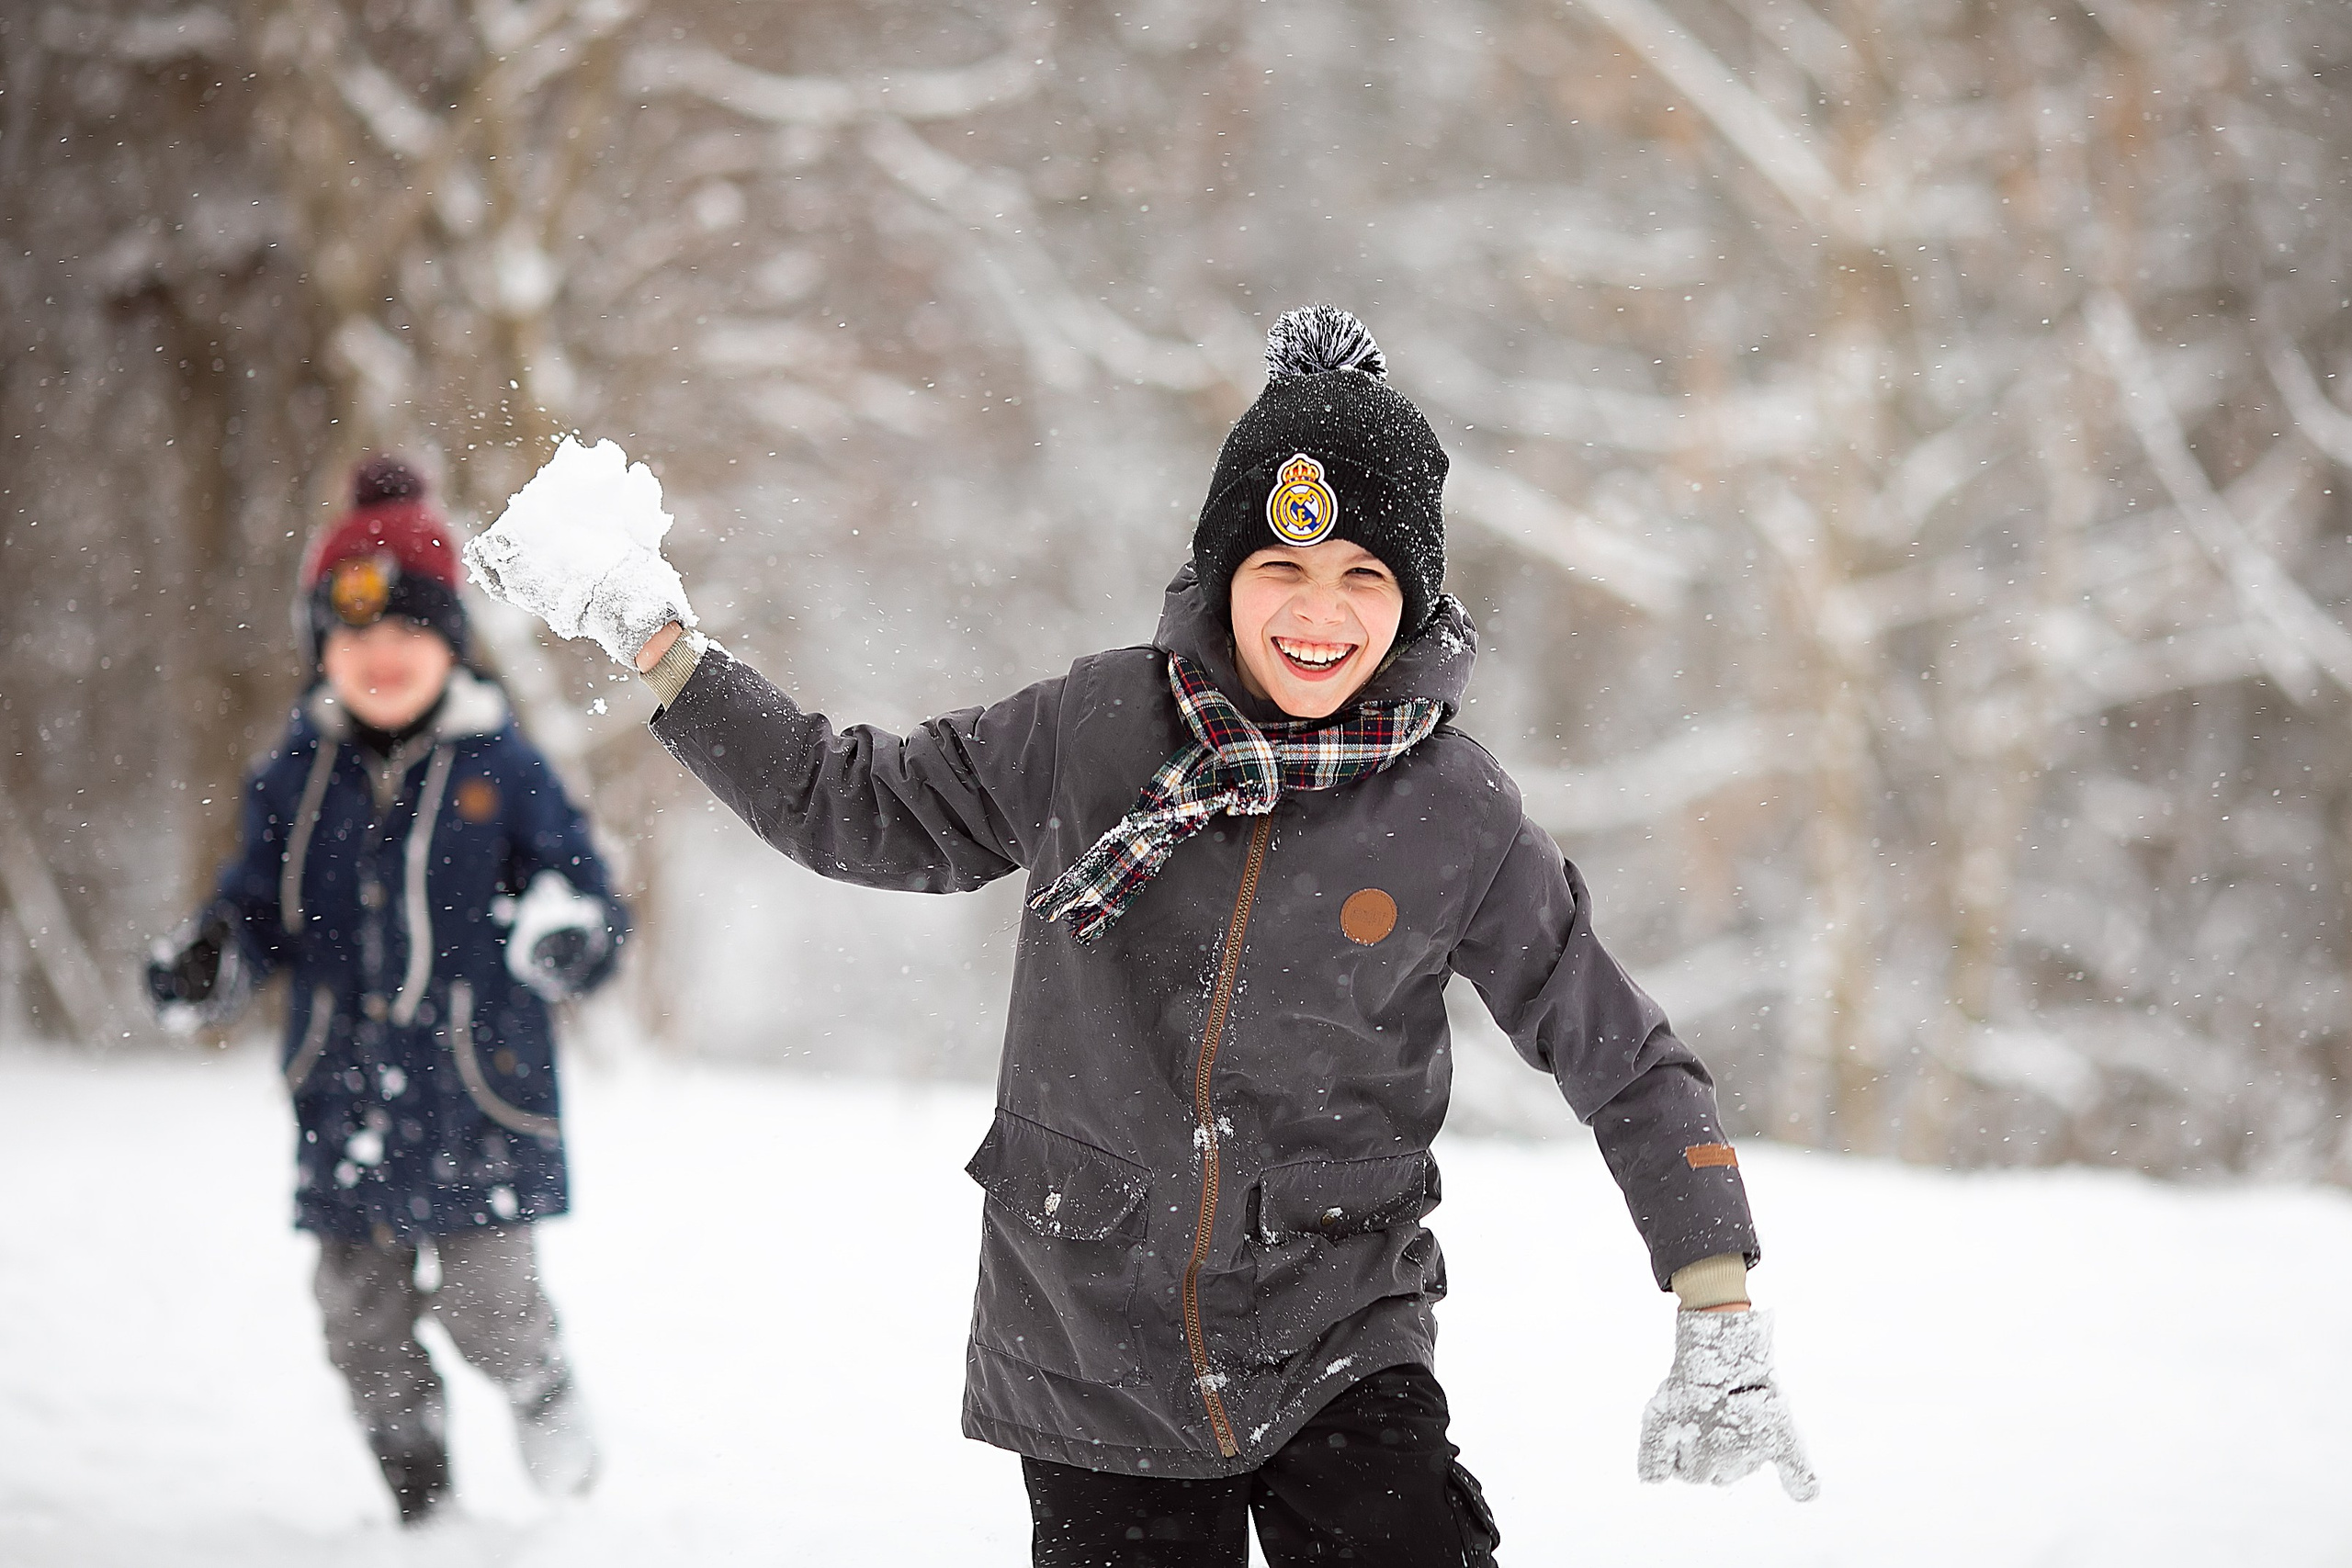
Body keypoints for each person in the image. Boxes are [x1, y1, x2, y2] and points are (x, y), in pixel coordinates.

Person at [470, 307, 1814, 1566]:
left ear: (1416, 601)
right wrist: (657, 644)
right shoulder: (1095, 731)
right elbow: (852, 802)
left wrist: (1714, 1291)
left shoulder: (1453, 813)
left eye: (1362, 573)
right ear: (1219, 573)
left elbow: (1623, 1051)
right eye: (1278, 565)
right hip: (1089, 1335)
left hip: (1338, 1328)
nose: (1317, 609)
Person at [146, 457, 628, 1529]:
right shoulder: (293, 774)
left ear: (448, 641)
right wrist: (214, 957)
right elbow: (255, 909)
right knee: (357, 1327)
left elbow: (581, 893)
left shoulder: (501, 763)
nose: (380, 656)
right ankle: (423, 1509)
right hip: (345, 1097)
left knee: (488, 1309)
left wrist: (563, 935)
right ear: (324, 644)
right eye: (354, 636)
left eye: (406, 633)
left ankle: (541, 1385)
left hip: (479, 1096)